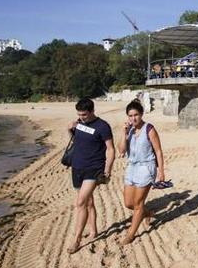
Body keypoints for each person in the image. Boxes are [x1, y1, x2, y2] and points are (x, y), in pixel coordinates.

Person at [67, 98, 115, 254]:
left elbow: (110, 149)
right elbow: (77, 141)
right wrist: (70, 130)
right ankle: (93, 231)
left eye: (84, 115)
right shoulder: (79, 123)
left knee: (80, 202)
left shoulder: (103, 126)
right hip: (77, 167)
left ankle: (76, 240)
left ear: (92, 111)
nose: (81, 117)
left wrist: (108, 169)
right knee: (88, 203)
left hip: (93, 169)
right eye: (79, 114)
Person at [118, 100, 165, 245]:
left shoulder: (149, 129)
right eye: (130, 115)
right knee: (128, 203)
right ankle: (147, 213)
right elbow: (121, 150)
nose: (133, 118)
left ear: (141, 114)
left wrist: (161, 171)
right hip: (132, 167)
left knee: (138, 203)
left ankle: (131, 234)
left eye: (136, 115)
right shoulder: (129, 130)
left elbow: (158, 151)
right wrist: (124, 133)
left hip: (146, 167)